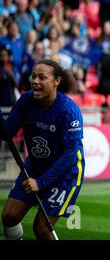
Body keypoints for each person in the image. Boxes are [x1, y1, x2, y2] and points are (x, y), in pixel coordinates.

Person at [1, 59, 85, 240]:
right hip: (35, 167)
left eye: (42, 77)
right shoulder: (25, 101)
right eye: (33, 76)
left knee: (41, 228)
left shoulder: (69, 111)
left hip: (65, 174)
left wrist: (41, 183)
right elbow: (6, 134)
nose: (35, 81)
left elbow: (71, 155)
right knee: (9, 217)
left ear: (56, 82)